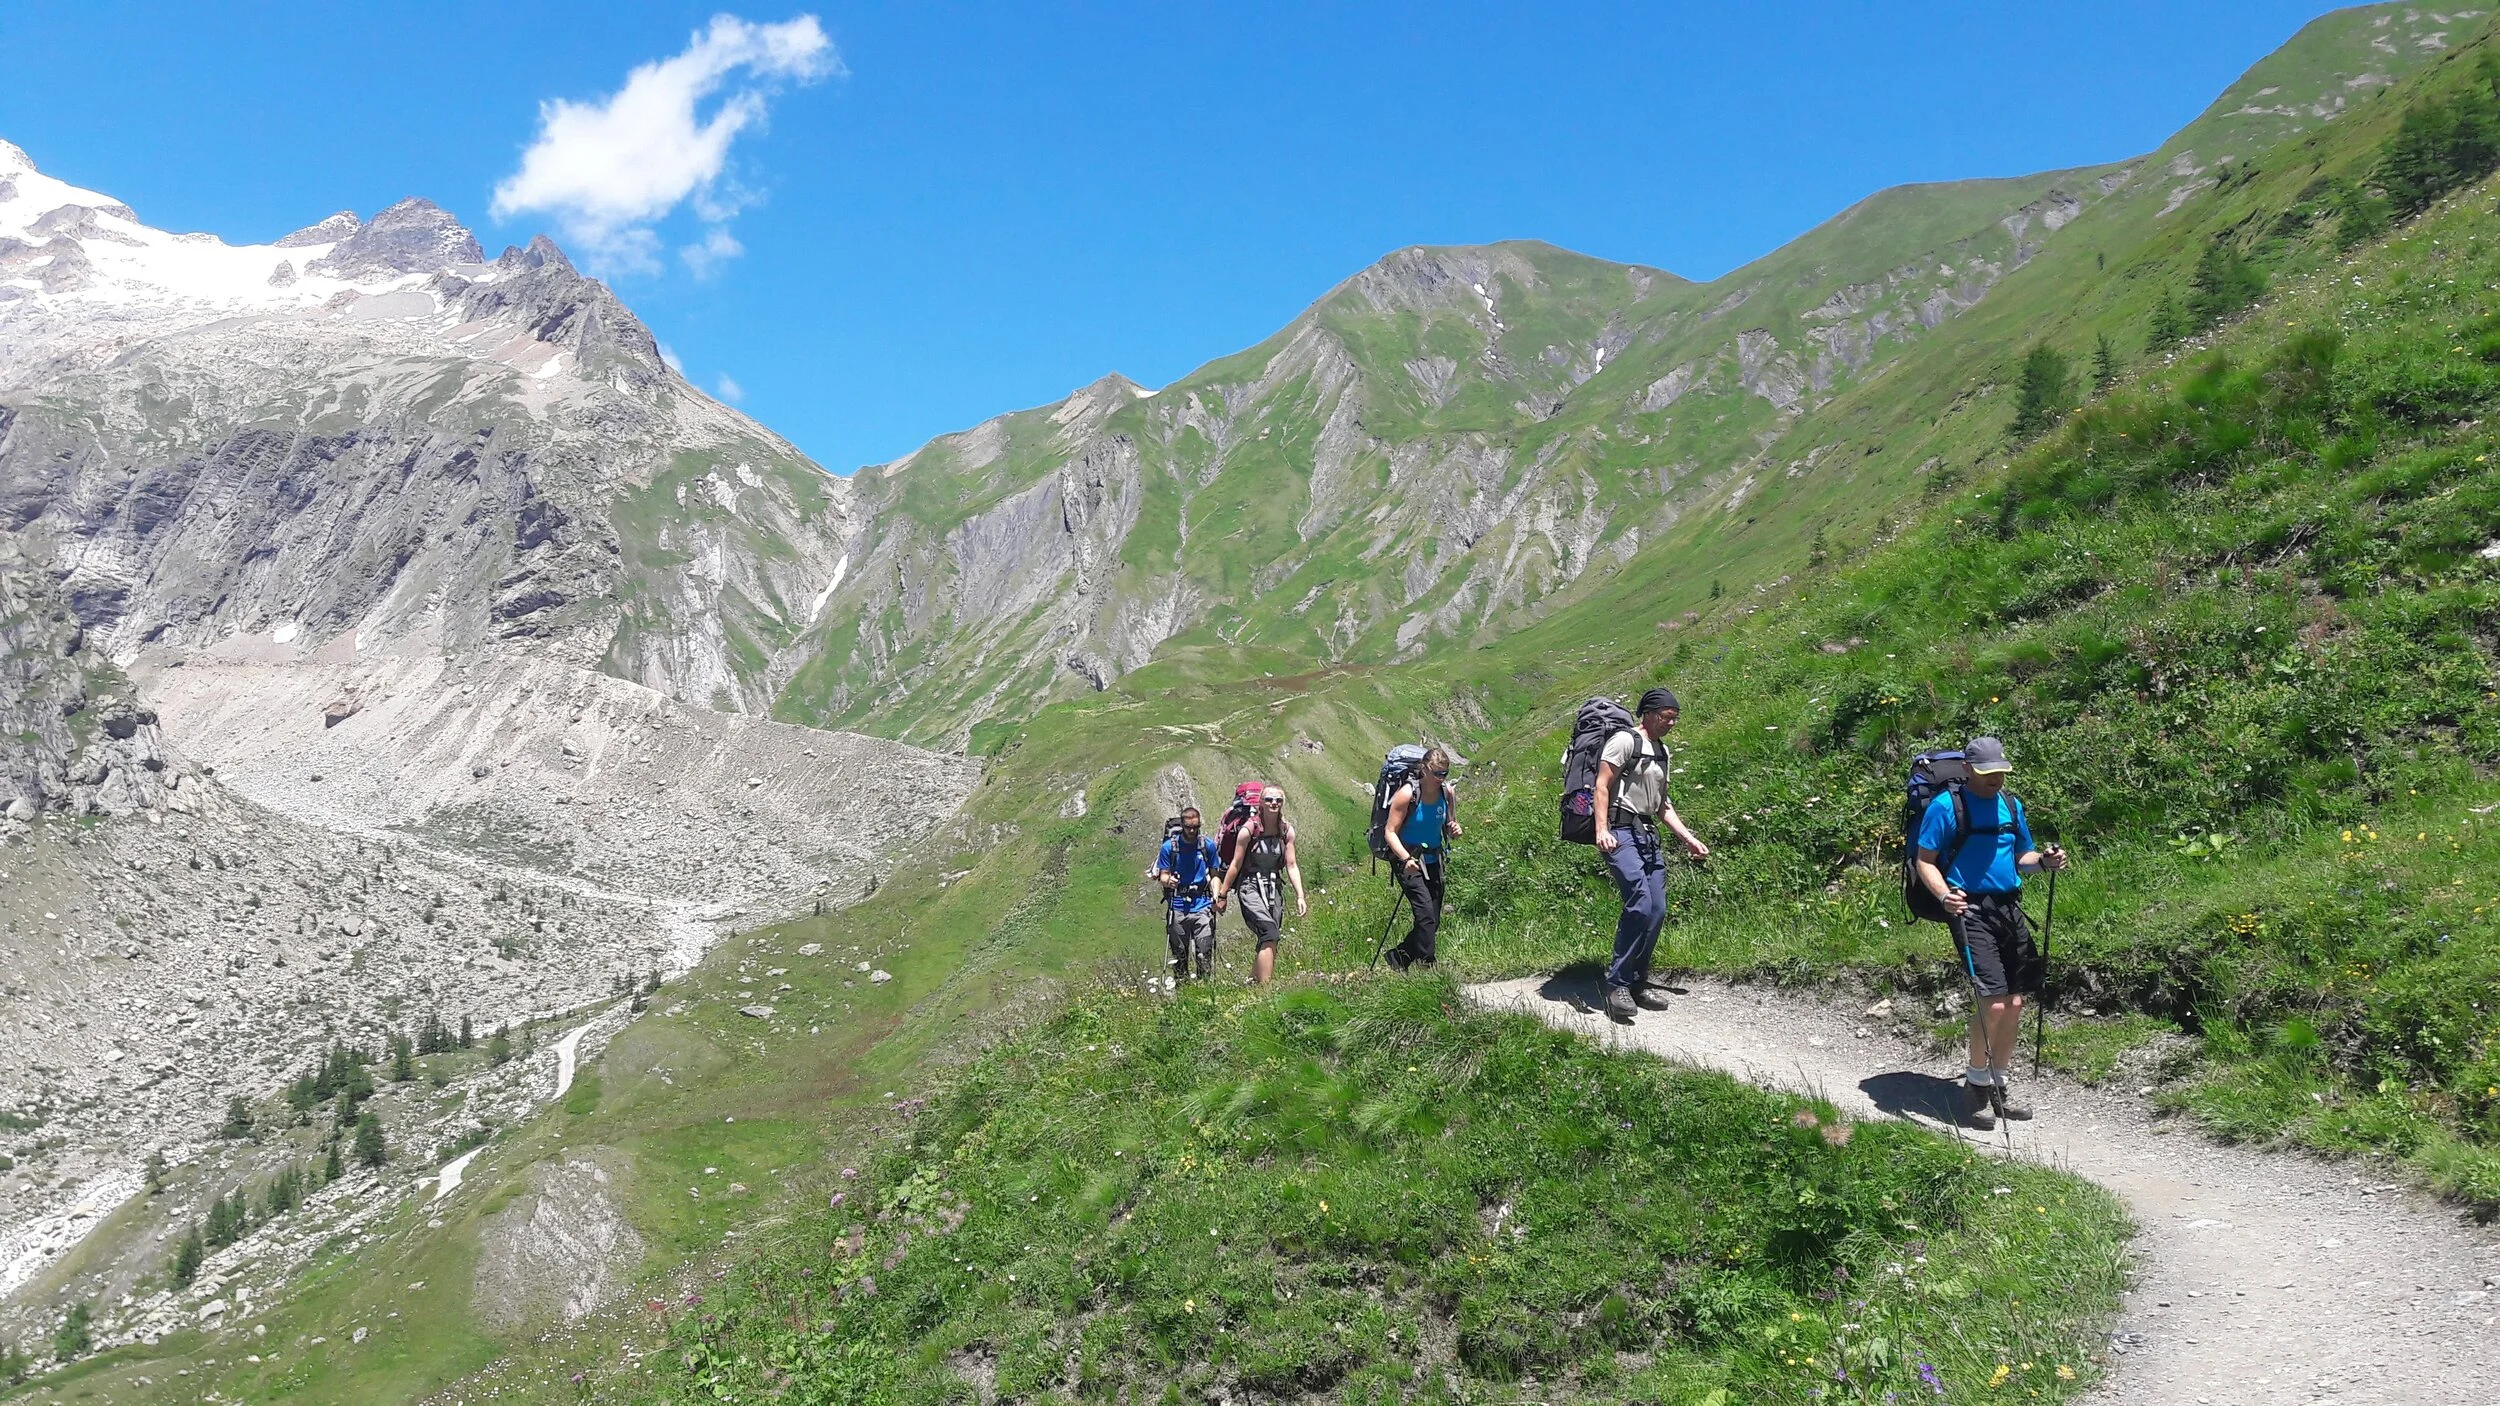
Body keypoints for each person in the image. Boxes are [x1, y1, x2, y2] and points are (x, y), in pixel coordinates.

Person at [1912, 736, 2069, 1128]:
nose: (1994, 780)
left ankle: (1999, 1086)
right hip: (1969, 910)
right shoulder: (1948, 807)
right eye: (1986, 773)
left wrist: (2046, 862)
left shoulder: (2011, 805)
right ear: (1967, 769)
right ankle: (1976, 1085)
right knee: (1995, 1002)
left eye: (1999, 772)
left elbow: (2022, 858)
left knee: (2015, 1003)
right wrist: (1946, 896)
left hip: (2008, 908)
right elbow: (1924, 861)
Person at [1591, 687, 1711, 1021]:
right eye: (1666, 717)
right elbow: (1602, 786)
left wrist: (1688, 839)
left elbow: (1662, 805)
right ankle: (1617, 985)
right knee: (1640, 902)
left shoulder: (1662, 751)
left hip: (1645, 833)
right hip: (1619, 831)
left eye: (1675, 718)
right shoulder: (1624, 742)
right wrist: (1602, 830)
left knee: (1656, 909)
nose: (1671, 723)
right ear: (1648, 713)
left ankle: (1637, 980)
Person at [1213, 786, 1306, 985]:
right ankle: (1266, 990)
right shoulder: (1249, 830)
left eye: (1278, 800)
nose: (1274, 803)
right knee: (1269, 932)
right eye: (1270, 799)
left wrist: (1300, 895)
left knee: (1269, 936)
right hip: (1250, 885)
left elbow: (1291, 864)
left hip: (1274, 886)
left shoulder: (1286, 830)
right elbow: (1235, 864)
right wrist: (1222, 894)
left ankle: (1253, 981)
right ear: (1261, 803)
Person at [1380, 747, 1461, 971]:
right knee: (1425, 916)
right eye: (1437, 773)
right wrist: (1406, 859)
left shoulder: (1447, 793)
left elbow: (1450, 822)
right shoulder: (1407, 794)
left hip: (1434, 859)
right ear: (1424, 770)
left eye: (1445, 773)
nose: (1441, 778)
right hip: (1408, 861)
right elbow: (1390, 832)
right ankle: (1428, 968)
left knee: (1432, 921)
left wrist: (1454, 828)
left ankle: (1398, 958)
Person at [1154, 807, 1223, 983]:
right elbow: (1163, 875)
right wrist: (1170, 881)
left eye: (1196, 827)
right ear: (1182, 826)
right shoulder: (1169, 847)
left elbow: (1215, 874)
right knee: (1180, 955)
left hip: (1202, 904)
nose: (1192, 831)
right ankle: (1183, 990)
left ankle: (1204, 989)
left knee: (1204, 952)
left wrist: (1217, 895)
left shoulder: (1207, 846)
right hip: (1178, 906)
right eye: (1188, 827)